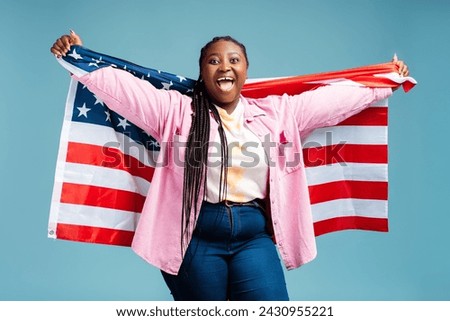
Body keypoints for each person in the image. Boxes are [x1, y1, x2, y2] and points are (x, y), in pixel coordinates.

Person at [50, 31, 409, 301]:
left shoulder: (278, 113)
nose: (225, 66)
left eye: (234, 59)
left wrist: (385, 81)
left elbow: (333, 100)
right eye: (214, 60)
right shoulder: (176, 111)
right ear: (203, 72)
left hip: (253, 237)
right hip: (195, 237)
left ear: (246, 70)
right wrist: (77, 59)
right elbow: (124, 89)